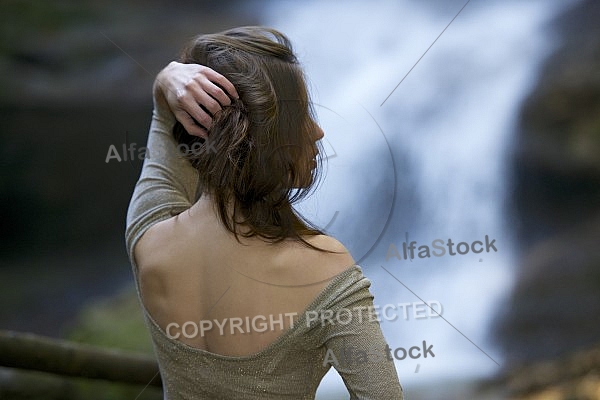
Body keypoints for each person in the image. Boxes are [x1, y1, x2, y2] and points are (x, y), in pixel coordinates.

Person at [125, 26, 403, 399]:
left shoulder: (148, 237)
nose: (318, 132)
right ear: (268, 136)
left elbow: (164, 121)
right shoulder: (323, 269)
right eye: (302, 114)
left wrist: (169, 77)